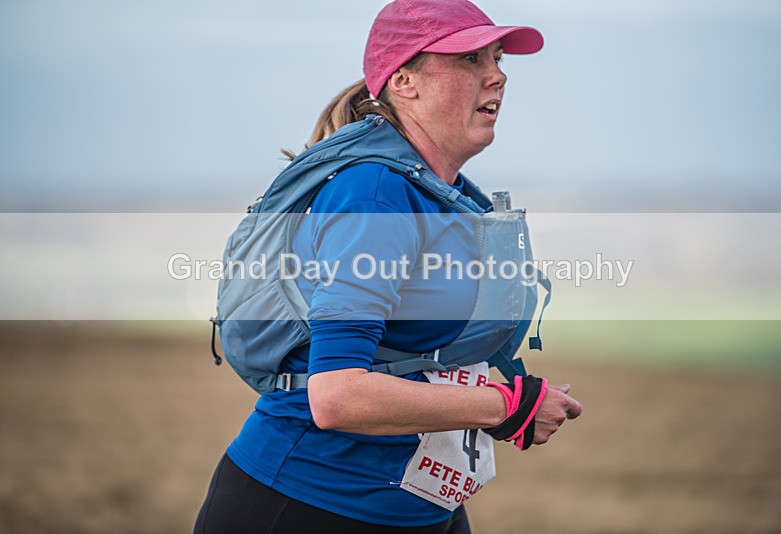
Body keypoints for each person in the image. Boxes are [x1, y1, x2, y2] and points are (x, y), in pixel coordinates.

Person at [194, 1, 582, 532]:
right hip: (310, 500)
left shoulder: (443, 195)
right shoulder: (376, 196)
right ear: (404, 81)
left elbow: (414, 355)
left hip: (420, 506)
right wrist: (503, 406)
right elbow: (338, 395)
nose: (498, 74)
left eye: (495, 57)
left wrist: (507, 397)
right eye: (470, 58)